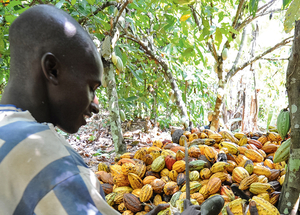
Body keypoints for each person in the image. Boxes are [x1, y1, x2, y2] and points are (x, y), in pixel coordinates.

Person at [0, 5, 201, 215]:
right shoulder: (45, 158)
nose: (95, 106)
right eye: (91, 87)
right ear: (52, 70)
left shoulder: (7, 132)